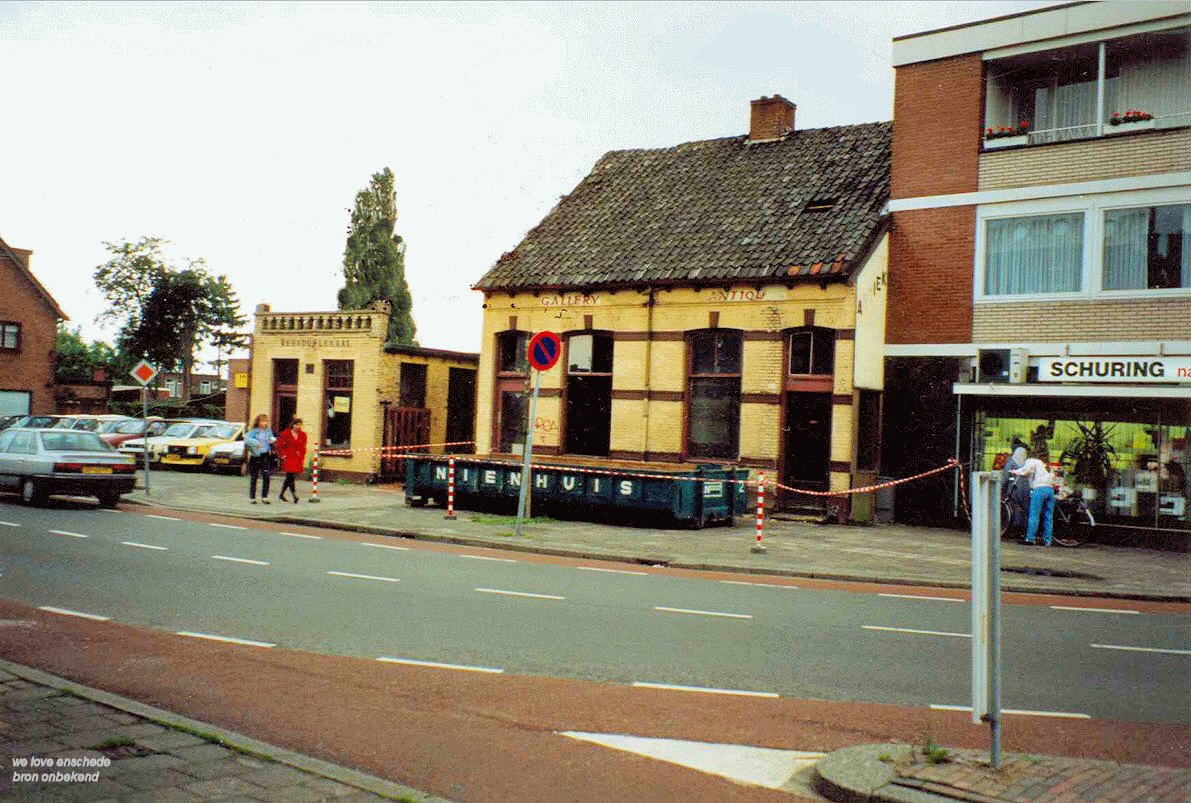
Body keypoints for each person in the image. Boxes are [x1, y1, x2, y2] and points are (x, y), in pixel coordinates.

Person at [1012, 450, 1055, 546]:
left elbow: (1026, 471)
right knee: (1048, 516)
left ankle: (1030, 538)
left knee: (1034, 515)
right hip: (1050, 490)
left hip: (1039, 490)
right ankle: (1047, 540)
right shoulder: (1048, 466)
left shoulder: (1033, 461)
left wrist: (1015, 472)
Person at [245, 414, 276, 504]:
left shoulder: (268, 431)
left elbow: (272, 437)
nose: (264, 423)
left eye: (266, 421)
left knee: (266, 476)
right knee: (254, 477)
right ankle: (252, 498)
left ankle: (264, 497)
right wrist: (256, 442)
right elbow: (247, 439)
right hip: (255, 455)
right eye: (262, 421)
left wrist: (272, 440)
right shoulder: (254, 431)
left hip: (265, 455)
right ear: (258, 422)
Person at [275, 418, 308, 503]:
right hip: (288, 457)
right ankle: (294, 495)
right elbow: (279, 445)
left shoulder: (303, 435)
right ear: (293, 425)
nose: (298, 427)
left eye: (299, 425)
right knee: (290, 476)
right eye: (296, 425)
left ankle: (282, 494)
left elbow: (303, 446)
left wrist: (302, 455)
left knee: (290, 477)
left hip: (297, 458)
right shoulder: (285, 434)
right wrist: (283, 455)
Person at [1001, 444, 1031, 534]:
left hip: (1015, 488)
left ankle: (1016, 528)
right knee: (1026, 509)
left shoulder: (1011, 462)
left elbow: (1005, 477)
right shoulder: (1027, 463)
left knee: (1015, 506)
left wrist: (1001, 487)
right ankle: (1025, 530)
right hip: (1026, 489)